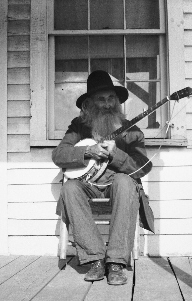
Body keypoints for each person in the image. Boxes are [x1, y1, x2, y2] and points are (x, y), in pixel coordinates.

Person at [52, 70, 154, 285]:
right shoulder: (78, 127)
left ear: (117, 102)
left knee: (126, 182)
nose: (107, 104)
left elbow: (143, 167)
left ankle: (116, 263)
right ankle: (95, 260)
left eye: (111, 98)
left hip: (117, 184)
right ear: (89, 103)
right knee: (70, 188)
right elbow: (59, 155)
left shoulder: (132, 131)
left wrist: (116, 154)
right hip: (87, 184)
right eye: (101, 99)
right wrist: (88, 151)